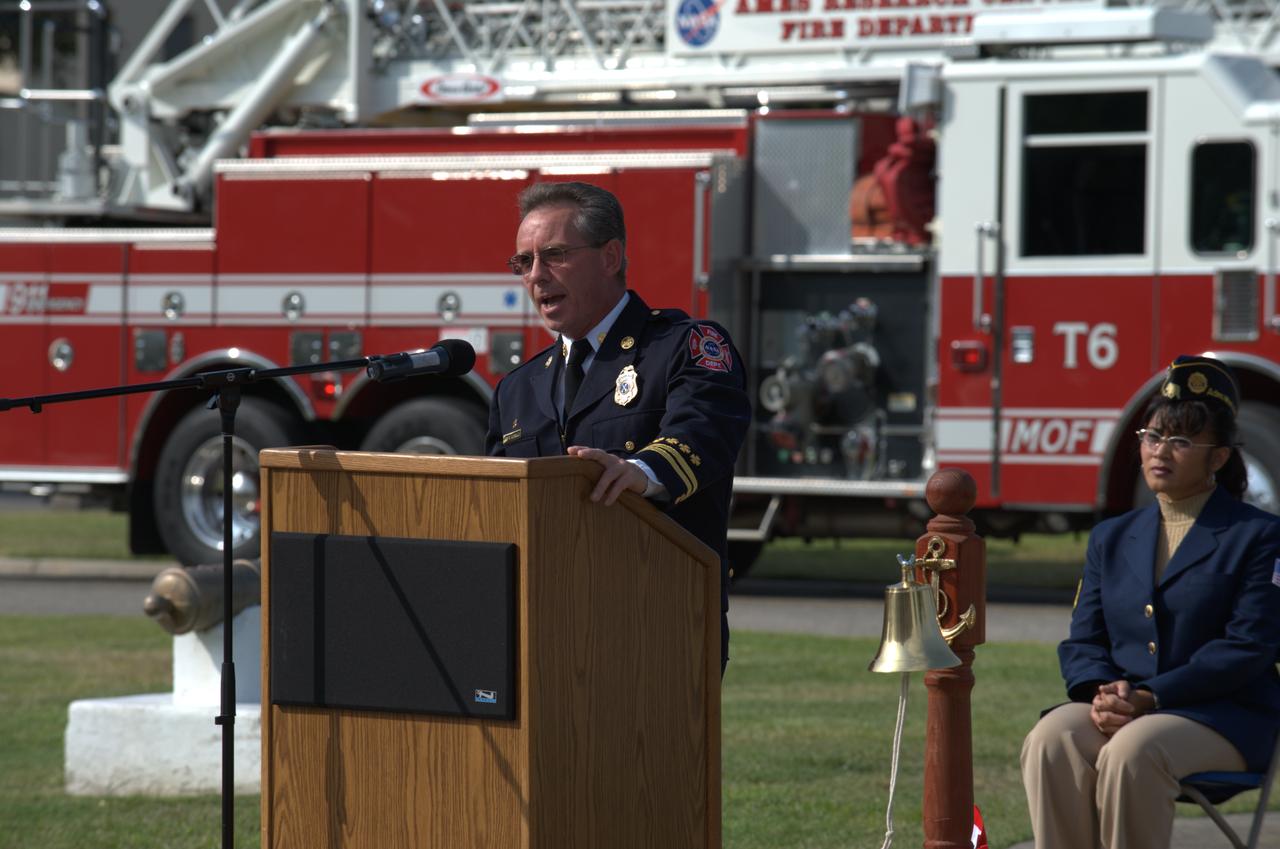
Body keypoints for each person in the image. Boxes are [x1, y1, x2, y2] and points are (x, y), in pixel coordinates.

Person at [483, 181, 751, 670]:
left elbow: (704, 432)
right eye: (525, 262)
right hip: (541, 630)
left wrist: (638, 473)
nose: (536, 277)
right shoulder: (517, 388)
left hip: (657, 621)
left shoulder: (683, 347)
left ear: (610, 257)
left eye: (555, 255)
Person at [1020, 354, 1280, 849]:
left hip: (1222, 716)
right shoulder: (1111, 537)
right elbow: (1083, 640)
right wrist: (1103, 692)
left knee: (1133, 752)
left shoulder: (1260, 537)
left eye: (1181, 441)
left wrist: (1151, 697)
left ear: (1219, 457)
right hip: (1127, 706)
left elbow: (1249, 647)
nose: (1160, 451)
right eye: (1153, 437)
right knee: (1052, 739)